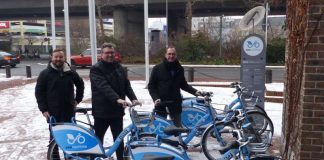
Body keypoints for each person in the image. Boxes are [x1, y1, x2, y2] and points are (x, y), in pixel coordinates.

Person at [90, 42, 141, 160]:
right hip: (101, 112)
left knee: (119, 140)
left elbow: (126, 85)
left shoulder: (119, 67)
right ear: (101, 54)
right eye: (107, 53)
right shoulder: (96, 69)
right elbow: (103, 87)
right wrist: (117, 99)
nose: (110, 55)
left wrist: (133, 98)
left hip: (117, 111)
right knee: (98, 140)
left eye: (112, 52)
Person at [35, 49, 84, 156]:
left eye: (60, 57)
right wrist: (43, 109)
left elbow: (80, 84)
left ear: (64, 58)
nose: (58, 59)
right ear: (51, 58)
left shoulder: (70, 72)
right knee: (55, 139)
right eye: (56, 57)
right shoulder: (45, 74)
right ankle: (54, 157)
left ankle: (70, 157)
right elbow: (39, 93)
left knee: (70, 138)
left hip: (69, 111)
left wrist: (77, 100)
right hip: (53, 112)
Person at [148, 46, 202, 127]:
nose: (171, 56)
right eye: (169, 54)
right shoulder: (157, 68)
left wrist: (195, 92)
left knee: (177, 128)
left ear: (176, 55)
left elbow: (183, 84)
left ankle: (176, 140)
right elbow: (151, 86)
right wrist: (155, 98)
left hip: (175, 104)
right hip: (161, 103)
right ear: (165, 55)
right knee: (160, 128)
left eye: (173, 54)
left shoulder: (179, 69)